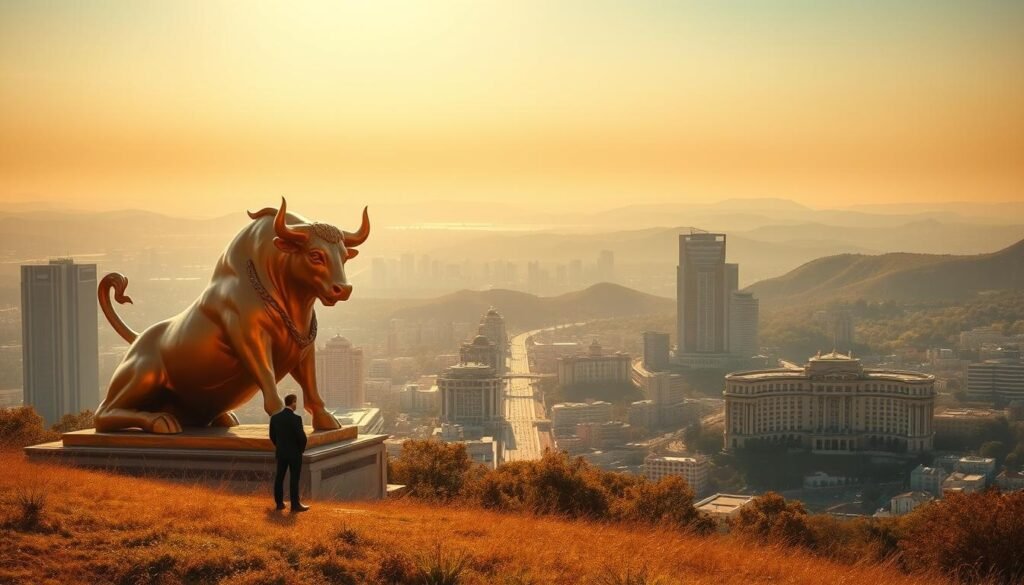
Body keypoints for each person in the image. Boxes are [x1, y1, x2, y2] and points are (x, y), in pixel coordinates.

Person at [269, 393, 309, 512]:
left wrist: (279, 446)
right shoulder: (296, 418)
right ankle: (295, 505)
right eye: (296, 402)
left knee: (279, 478)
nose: (296, 405)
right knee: (294, 479)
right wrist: (300, 450)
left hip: (281, 453)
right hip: (294, 454)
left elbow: (272, 436)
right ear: (293, 402)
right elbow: (302, 437)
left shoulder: (275, 418)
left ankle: (279, 504)